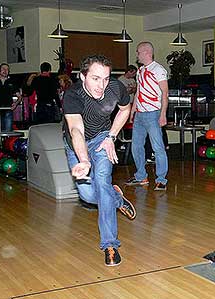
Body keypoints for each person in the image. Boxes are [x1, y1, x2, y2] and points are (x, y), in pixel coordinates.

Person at [62, 54, 136, 266]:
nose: (102, 85)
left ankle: (110, 245)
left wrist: (111, 136)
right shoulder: (73, 95)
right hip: (77, 144)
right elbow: (76, 129)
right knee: (87, 195)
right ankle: (118, 199)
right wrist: (84, 160)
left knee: (102, 183)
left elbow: (125, 110)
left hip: (103, 138)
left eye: (105, 78)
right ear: (82, 76)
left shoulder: (115, 88)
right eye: (95, 78)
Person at [126, 42, 169, 191]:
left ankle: (161, 179)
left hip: (153, 113)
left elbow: (165, 93)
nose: (137, 55)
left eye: (138, 52)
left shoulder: (158, 70)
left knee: (158, 147)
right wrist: (133, 110)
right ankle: (141, 176)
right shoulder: (140, 71)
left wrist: (163, 114)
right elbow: (139, 91)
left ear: (146, 52)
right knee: (136, 146)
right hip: (140, 114)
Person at [0, 63, 22, 156]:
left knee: (8, 132)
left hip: (7, 110)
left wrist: (15, 104)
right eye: (3, 69)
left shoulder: (12, 82)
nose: (5, 71)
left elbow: (19, 96)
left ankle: (6, 154)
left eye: (7, 69)